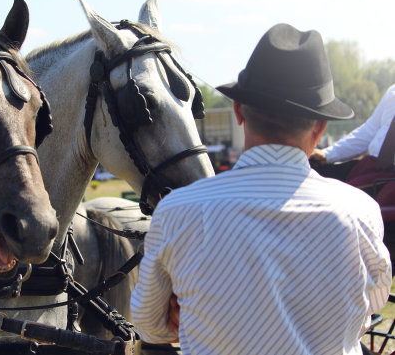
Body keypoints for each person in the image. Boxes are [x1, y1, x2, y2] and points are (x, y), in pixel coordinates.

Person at [130, 23, 392, 355]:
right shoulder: (360, 211)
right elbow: (370, 306)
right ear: (321, 126)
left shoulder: (178, 211)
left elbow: (149, 325)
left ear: (239, 112)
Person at [310, 84, 395, 205]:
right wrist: (327, 154)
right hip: (371, 168)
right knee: (313, 168)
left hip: (387, 178)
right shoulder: (393, 91)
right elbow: (368, 131)